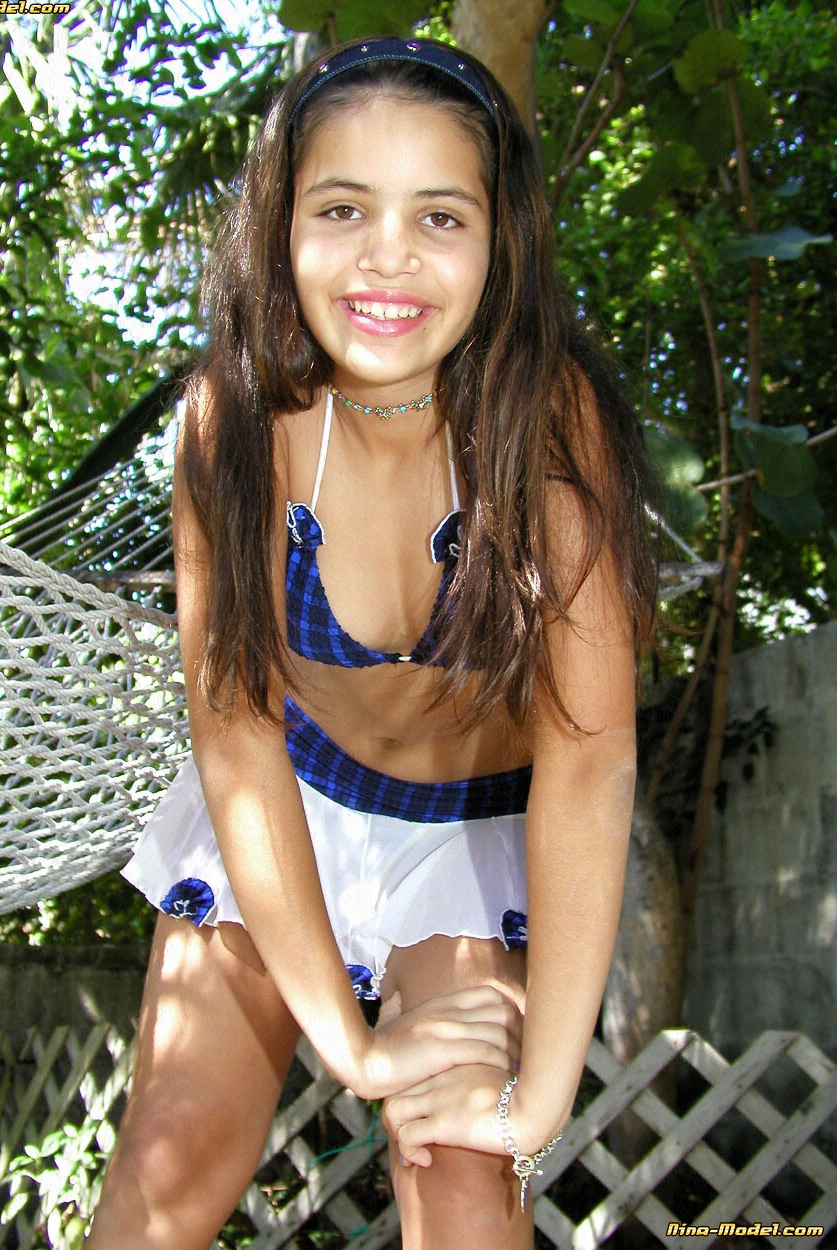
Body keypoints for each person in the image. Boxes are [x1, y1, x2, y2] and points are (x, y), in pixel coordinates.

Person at [86, 35, 656, 1250]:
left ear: (500, 240)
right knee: (164, 1176)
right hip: (286, 805)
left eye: (439, 216)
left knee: (464, 1183)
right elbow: (235, 735)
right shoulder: (235, 421)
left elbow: (592, 754)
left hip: (471, 839)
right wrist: (348, 1046)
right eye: (342, 207)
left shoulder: (547, 422)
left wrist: (537, 1101)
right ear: (280, 225)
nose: (386, 254)